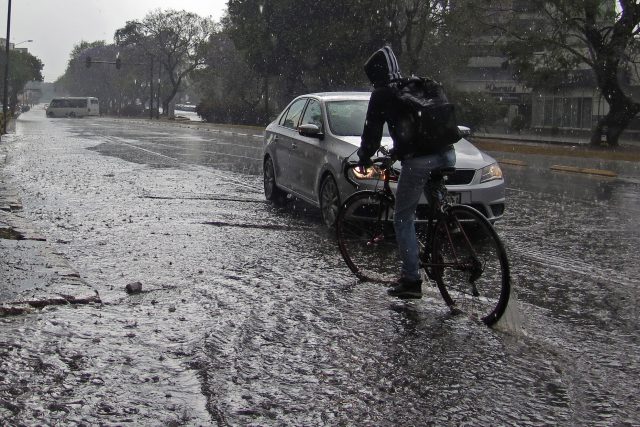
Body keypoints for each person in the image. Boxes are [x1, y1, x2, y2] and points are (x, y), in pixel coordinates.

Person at [357, 45, 456, 299]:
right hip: (446, 152)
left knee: (402, 217)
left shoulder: (382, 94)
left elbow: (371, 134)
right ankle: (444, 230)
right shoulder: (414, 84)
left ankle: (411, 279)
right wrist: (397, 153)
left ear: (375, 76)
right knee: (435, 202)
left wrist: (364, 156)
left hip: (420, 159)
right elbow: (416, 130)